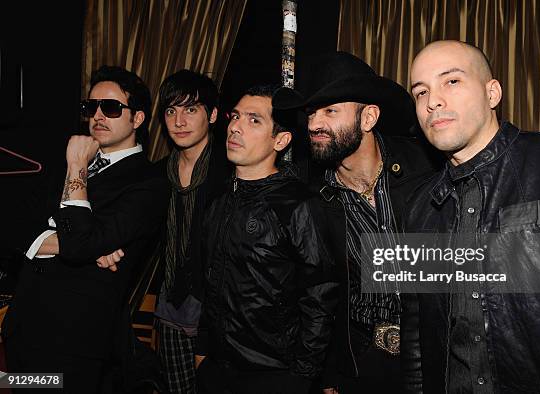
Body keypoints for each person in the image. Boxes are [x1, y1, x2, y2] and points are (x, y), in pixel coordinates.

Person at [402, 40, 540, 393]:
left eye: (451, 81)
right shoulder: (419, 207)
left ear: (492, 93)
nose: (432, 101)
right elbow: (416, 333)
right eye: (420, 92)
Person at [273, 51, 441, 393]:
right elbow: (314, 293)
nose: (314, 124)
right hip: (362, 362)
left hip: (434, 352)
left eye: (330, 111)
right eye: (311, 113)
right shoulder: (311, 199)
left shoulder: (427, 166)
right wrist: (331, 372)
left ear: (368, 118)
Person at [1, 65, 169, 393]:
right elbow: (12, 226)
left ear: (137, 119)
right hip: (22, 332)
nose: (97, 116)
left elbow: (79, 244)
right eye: (90, 107)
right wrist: (83, 244)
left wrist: (77, 169)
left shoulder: (149, 184)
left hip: (75, 345)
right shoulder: (66, 160)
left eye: (110, 107)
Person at [194, 85, 338, 394]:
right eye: (235, 116)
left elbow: (321, 295)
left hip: (274, 375)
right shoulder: (218, 200)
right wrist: (203, 352)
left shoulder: (299, 205)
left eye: (254, 120)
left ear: (281, 140)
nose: (235, 126)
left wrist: (301, 376)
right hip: (217, 372)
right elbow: (209, 282)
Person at [152, 69, 229, 394]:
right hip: (170, 307)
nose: (179, 121)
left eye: (190, 109)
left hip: (217, 313)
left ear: (212, 115)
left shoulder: (229, 174)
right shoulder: (157, 176)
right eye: (171, 110)